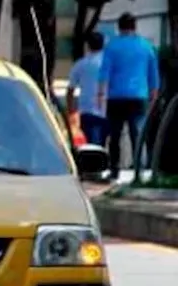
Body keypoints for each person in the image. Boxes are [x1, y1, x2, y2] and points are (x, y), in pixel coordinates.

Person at [97, 13, 160, 180]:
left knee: (115, 134)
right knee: (137, 134)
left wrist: (101, 94)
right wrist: (154, 95)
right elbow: (153, 74)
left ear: (119, 27)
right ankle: (140, 170)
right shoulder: (146, 46)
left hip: (116, 97)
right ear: (135, 26)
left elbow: (104, 74)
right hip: (139, 96)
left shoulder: (112, 46)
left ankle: (114, 169)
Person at [67, 31, 107, 147]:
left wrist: (70, 111)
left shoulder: (81, 64)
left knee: (92, 144)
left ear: (88, 45)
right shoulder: (108, 63)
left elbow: (70, 90)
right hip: (108, 109)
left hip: (87, 110)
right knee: (106, 143)